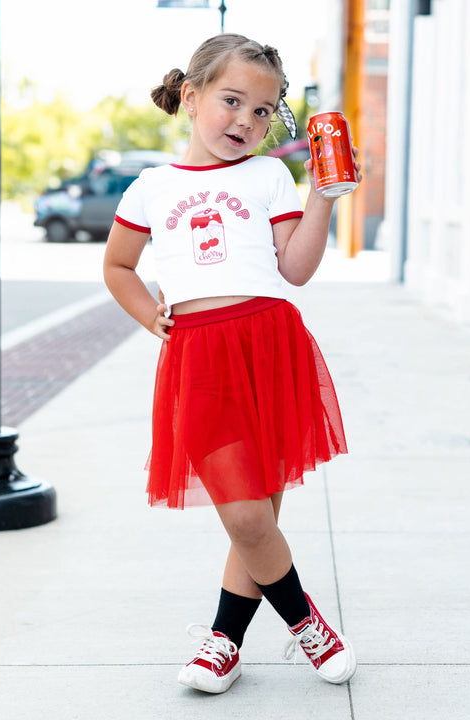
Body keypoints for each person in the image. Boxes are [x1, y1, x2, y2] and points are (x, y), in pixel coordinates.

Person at [103, 33, 361, 695]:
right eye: (231, 101)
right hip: (201, 357)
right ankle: (307, 622)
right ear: (191, 97)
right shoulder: (151, 188)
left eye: (262, 112)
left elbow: (295, 269)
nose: (245, 121)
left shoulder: (271, 175)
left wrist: (325, 198)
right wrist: (148, 315)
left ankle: (225, 642)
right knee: (245, 516)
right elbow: (118, 265)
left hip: (271, 346)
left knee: (258, 519)